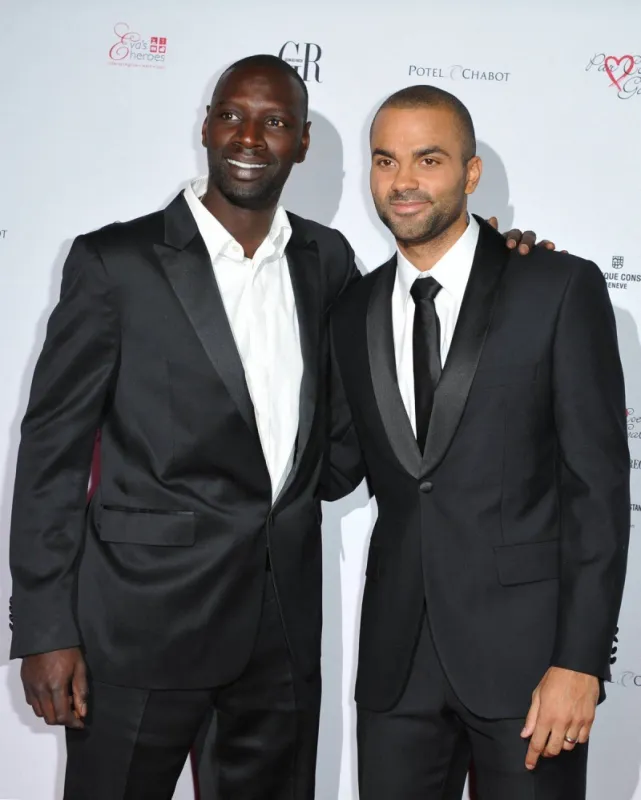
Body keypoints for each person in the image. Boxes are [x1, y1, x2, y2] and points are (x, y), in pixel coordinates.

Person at [9, 57, 548, 799]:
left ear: (300, 143)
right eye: (232, 115)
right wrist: (46, 629)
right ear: (206, 126)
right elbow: (51, 456)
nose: (249, 137)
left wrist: (500, 262)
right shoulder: (116, 263)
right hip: (136, 634)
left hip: (279, 639)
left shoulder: (327, 262)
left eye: (274, 122)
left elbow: (358, 421)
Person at [328, 85, 629, 799]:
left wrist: (580, 662)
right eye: (385, 160)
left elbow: (597, 492)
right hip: (395, 670)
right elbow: (336, 464)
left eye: (427, 159)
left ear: (470, 174)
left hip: (532, 667)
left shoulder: (556, 287)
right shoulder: (351, 309)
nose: (403, 181)